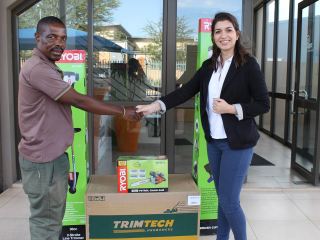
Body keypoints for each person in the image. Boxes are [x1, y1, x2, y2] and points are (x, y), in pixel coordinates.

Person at [136, 12, 270, 240]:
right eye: (218, 31)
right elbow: (185, 91)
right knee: (223, 198)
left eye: (228, 30)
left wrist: (232, 108)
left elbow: (263, 104)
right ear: (213, 36)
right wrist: (155, 105)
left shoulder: (248, 65)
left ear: (237, 35)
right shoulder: (209, 66)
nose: (223, 35)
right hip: (214, 143)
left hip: (237, 143)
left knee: (229, 201)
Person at [18, 16, 141, 240]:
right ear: (38, 38)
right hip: (43, 161)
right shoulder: (37, 69)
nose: (59, 43)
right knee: (45, 222)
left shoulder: (46, 66)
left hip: (51, 157)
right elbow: (79, 100)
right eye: (52, 37)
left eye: (63, 38)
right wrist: (123, 112)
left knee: (53, 217)